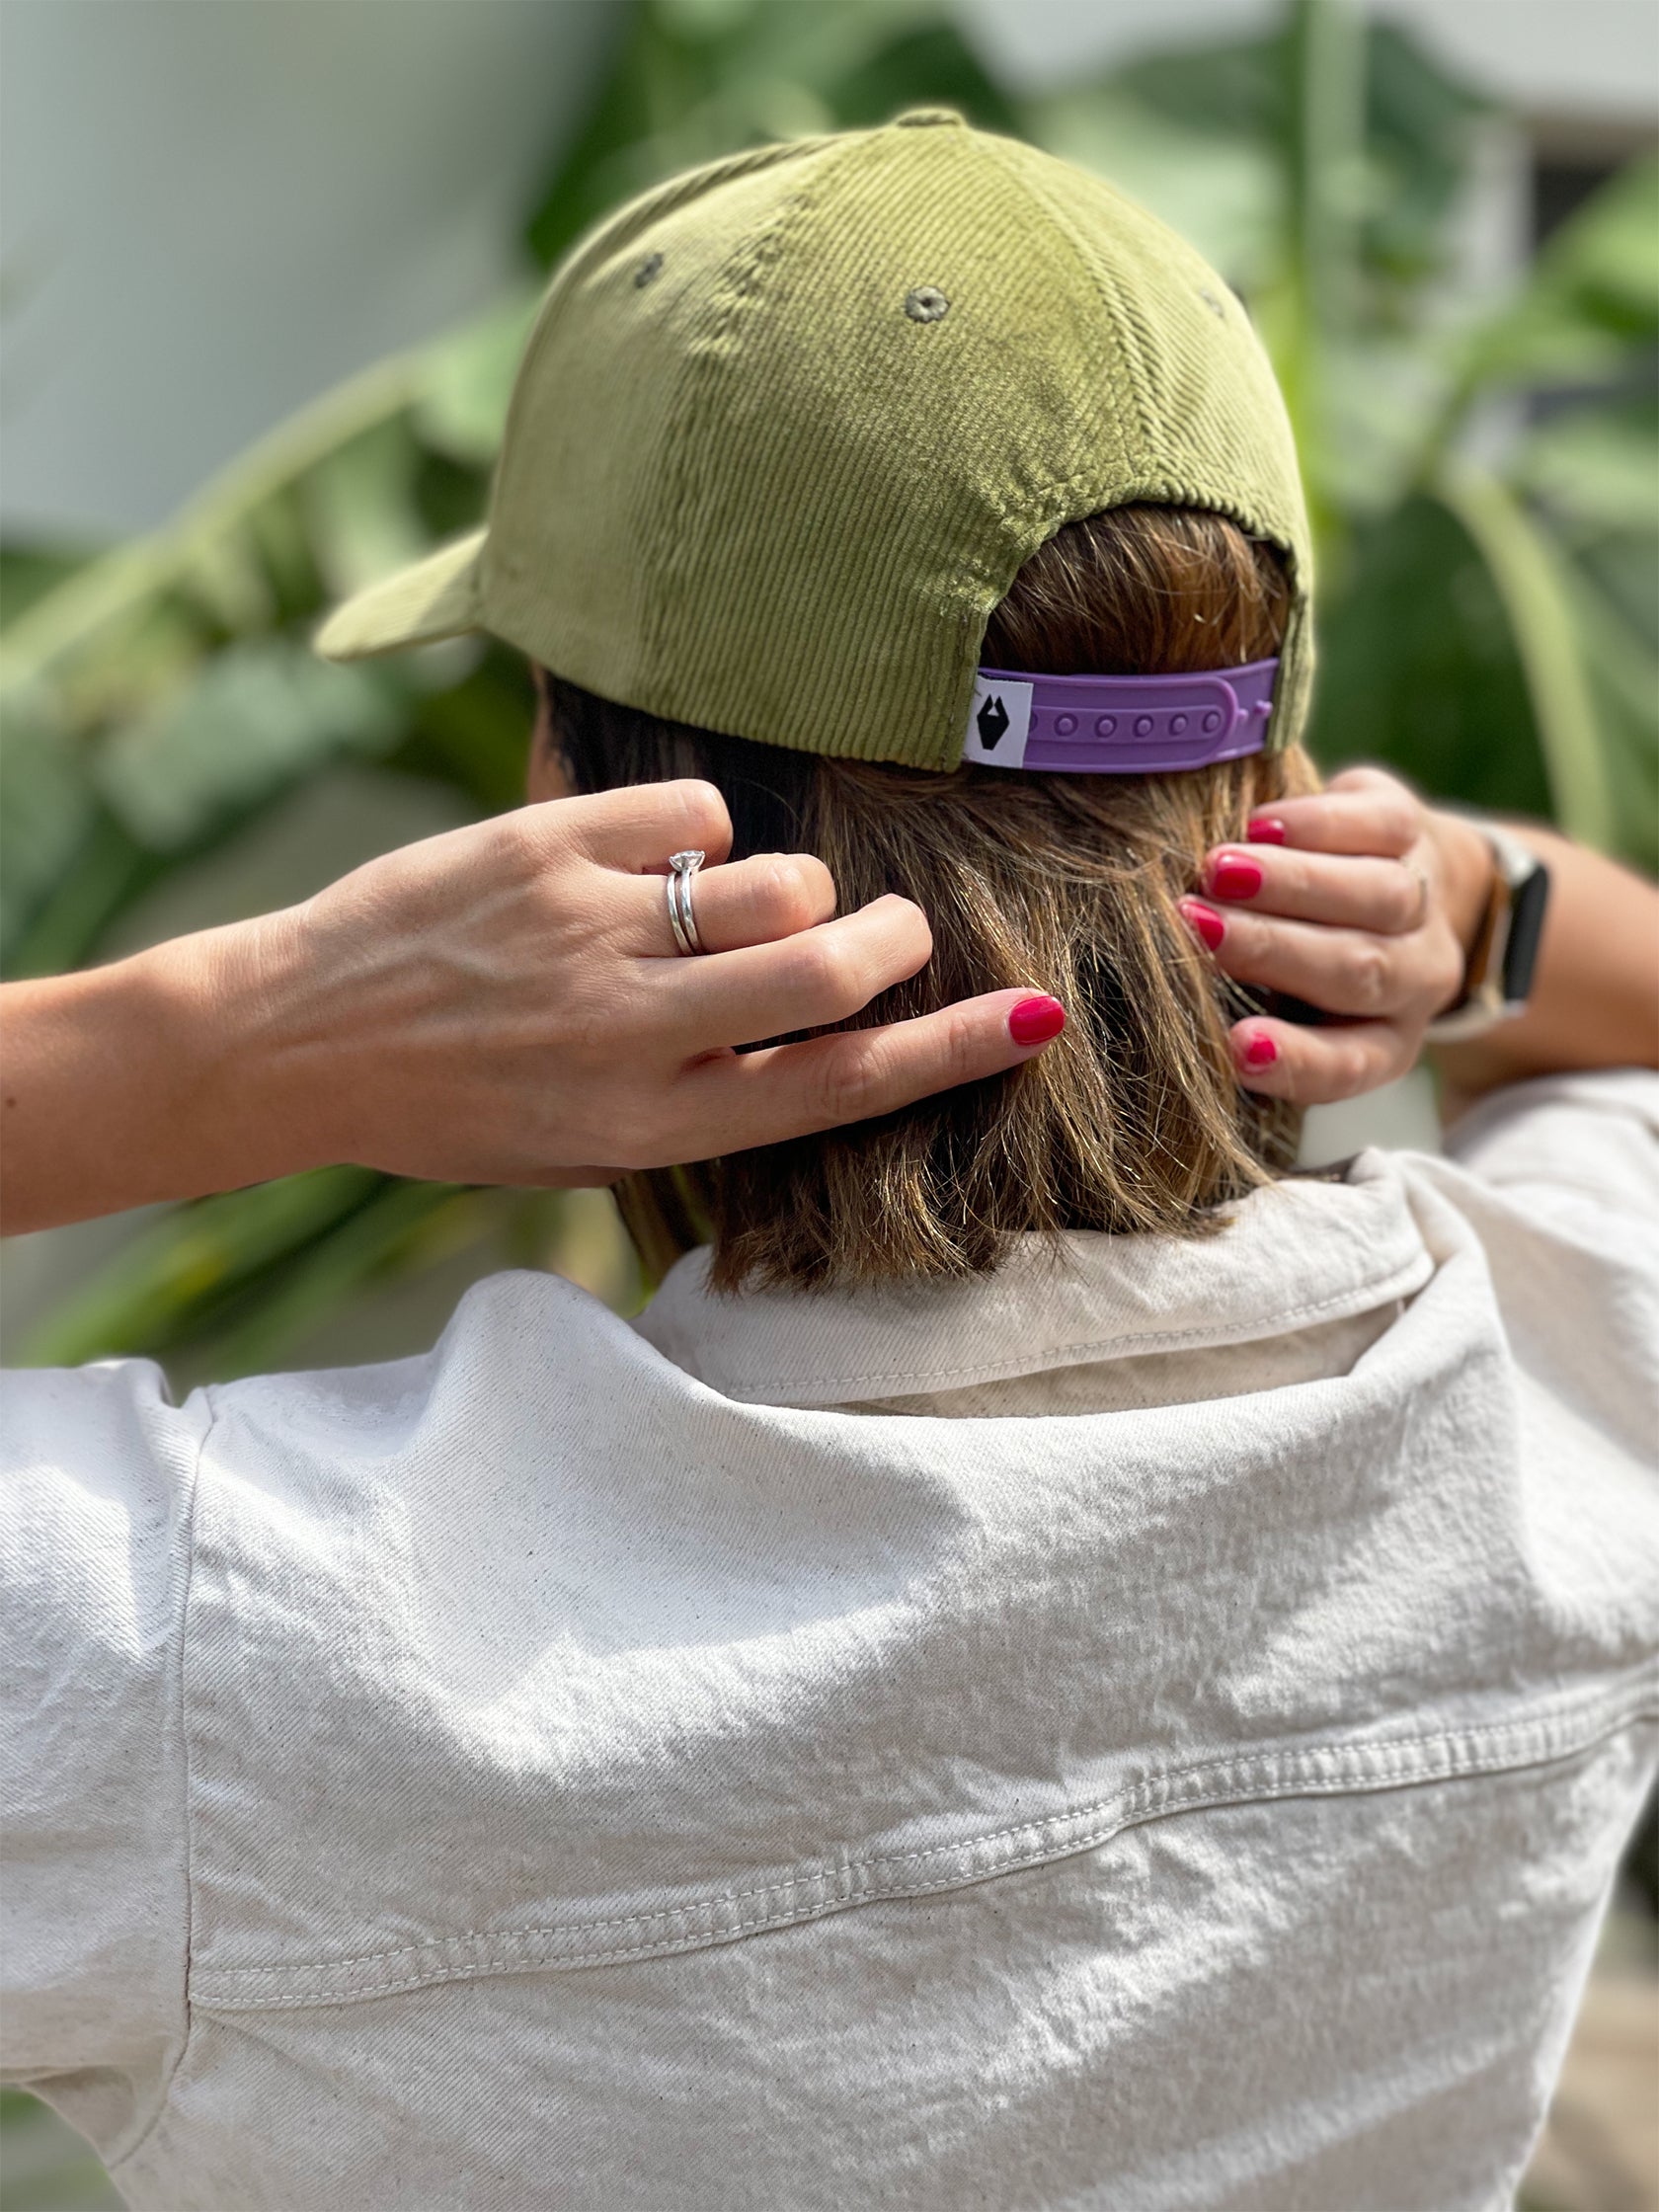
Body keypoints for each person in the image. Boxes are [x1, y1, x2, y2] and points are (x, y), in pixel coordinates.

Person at [3, 111, 1655, 2212]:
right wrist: (1489, 901)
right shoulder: (1572, 1387)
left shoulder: (204, 1656)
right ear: (1276, 778)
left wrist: (232, 1048)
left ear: (576, 795)